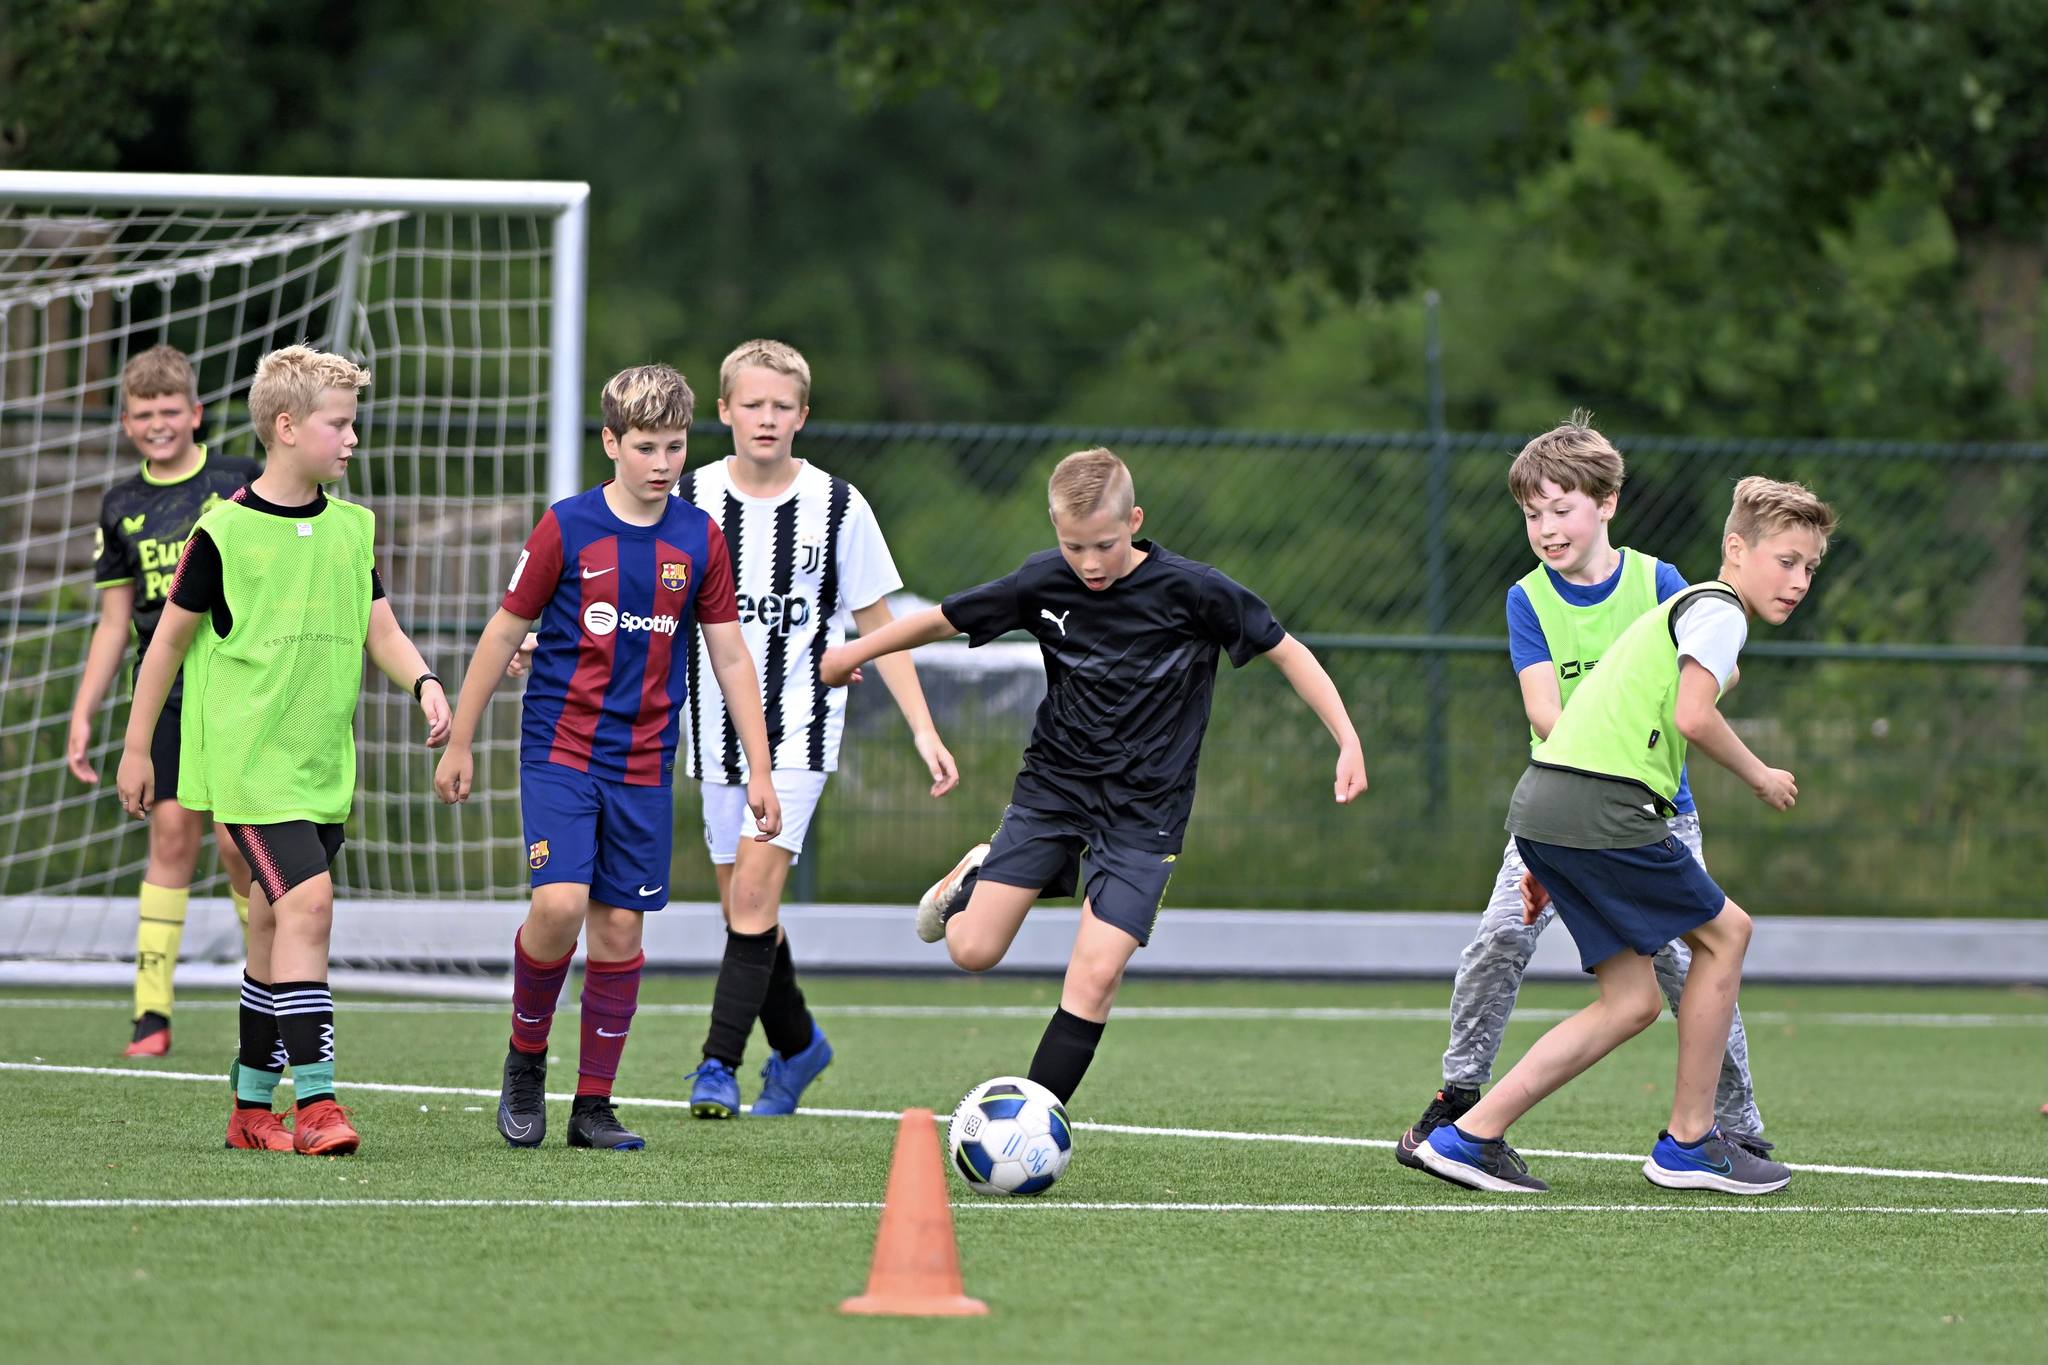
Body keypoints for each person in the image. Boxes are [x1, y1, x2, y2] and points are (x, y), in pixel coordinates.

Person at [820, 447, 1367, 1105]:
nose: (1088, 562)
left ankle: (1031, 1117)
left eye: (1104, 544)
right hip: (1054, 791)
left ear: (1134, 520)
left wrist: (1347, 738)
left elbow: (1288, 652)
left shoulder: (1196, 591)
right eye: (1072, 544)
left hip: (1146, 811)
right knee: (971, 950)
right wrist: (853, 649)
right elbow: (943, 618)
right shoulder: (1042, 581)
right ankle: (977, 868)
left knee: (1096, 975)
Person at [1413, 476, 1836, 1195]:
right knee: (1726, 935)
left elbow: (1600, 715)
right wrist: (1760, 773)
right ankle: (1691, 1140)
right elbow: (1694, 718)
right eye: (1786, 560)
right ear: (1737, 549)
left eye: (1810, 568)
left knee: (1633, 1001)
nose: (1797, 581)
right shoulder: (1719, 609)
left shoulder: (1672, 603)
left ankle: (1470, 1135)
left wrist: (1553, 848)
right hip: (1602, 809)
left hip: (1551, 806)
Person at [434, 362, 781, 1152]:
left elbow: (730, 658)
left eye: (676, 447)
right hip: (560, 750)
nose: (664, 463)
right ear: (611, 444)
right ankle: (526, 1061)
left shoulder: (699, 538)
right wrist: (461, 735)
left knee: (620, 926)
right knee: (558, 906)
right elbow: (500, 632)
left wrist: (759, 767)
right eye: (647, 447)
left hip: (645, 764)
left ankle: (594, 1104)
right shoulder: (566, 526)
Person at [117, 344, 451, 1156]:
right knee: (310, 907)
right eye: (339, 424)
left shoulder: (351, 527)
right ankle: (319, 1106)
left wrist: (424, 682)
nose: (352, 439)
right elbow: (164, 645)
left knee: (271, 933)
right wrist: (136, 748)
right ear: (288, 425)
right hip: (250, 769)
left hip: (321, 769)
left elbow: (380, 626)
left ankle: (248, 1109)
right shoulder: (222, 531)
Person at [674, 339, 957, 1119]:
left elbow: (879, 626)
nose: (767, 419)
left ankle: (717, 1066)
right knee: (743, 911)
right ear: (725, 410)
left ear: (803, 414)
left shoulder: (839, 505)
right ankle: (800, 1046)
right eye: (752, 404)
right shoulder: (688, 498)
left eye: (782, 406)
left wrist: (922, 728)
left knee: (757, 895)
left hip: (800, 728)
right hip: (713, 732)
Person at [72, 344, 258, 1057]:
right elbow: (115, 622)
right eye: (144, 414)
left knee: (240, 844)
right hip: (167, 694)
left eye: (169, 410)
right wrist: (87, 711)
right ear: (126, 422)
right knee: (171, 836)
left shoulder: (239, 482)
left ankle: (267, 986)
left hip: (240, 686)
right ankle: (151, 1013)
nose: (158, 423)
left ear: (196, 413)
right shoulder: (121, 504)